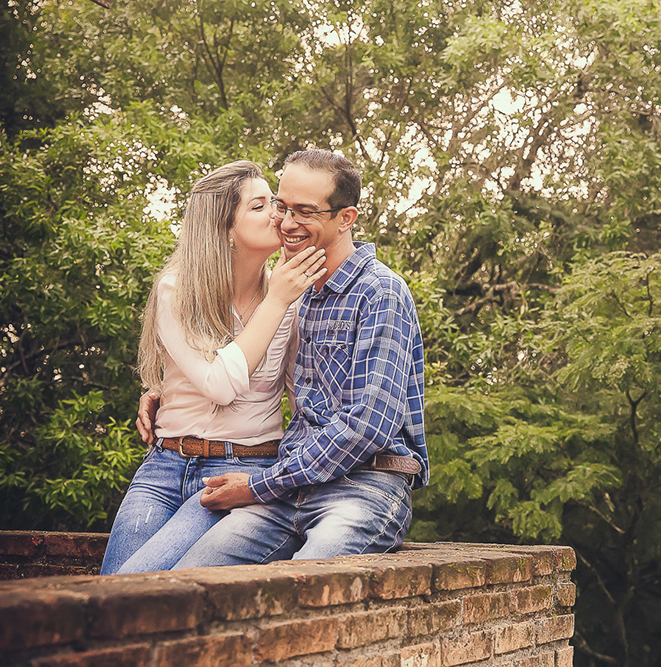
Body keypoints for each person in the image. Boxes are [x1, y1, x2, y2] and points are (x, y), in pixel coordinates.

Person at [137, 149, 428, 568]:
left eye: (304, 211)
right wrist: (161, 389)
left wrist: (259, 486)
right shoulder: (298, 292)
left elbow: (366, 426)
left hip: (362, 486)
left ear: (346, 218)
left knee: (305, 585)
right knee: (185, 584)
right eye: (281, 206)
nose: (287, 223)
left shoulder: (380, 292)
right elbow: (262, 375)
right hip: (288, 488)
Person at [101, 161, 326, 575]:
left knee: (131, 587)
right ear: (225, 228)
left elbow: (304, 392)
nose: (279, 215)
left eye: (274, 203)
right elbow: (217, 384)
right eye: (261, 207)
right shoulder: (177, 289)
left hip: (239, 473)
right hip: (165, 465)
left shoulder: (292, 296)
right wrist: (160, 391)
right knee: (109, 591)